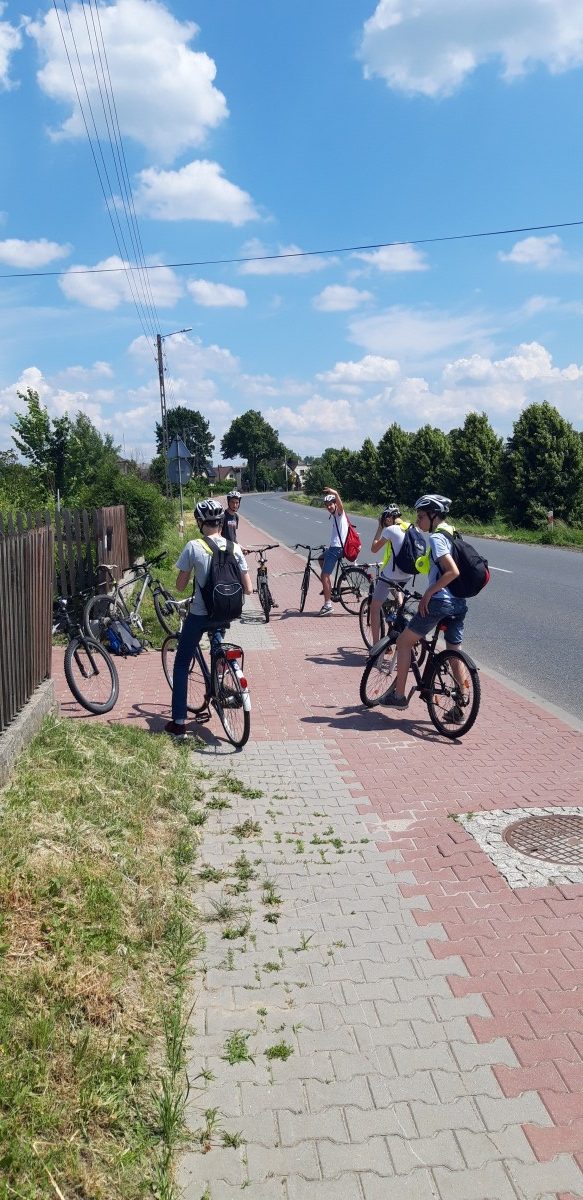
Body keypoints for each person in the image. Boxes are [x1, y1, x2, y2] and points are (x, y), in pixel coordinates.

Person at [165, 498, 252, 738]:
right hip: (225, 613)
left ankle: (179, 723)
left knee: (181, 664)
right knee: (217, 646)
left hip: (199, 615)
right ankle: (220, 681)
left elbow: (180, 586)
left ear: (199, 522)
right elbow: (248, 589)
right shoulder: (234, 547)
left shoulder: (194, 546)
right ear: (221, 522)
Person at [384, 494, 468, 719]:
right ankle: (460, 704)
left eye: (421, 516)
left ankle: (399, 696)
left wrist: (428, 594)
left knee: (403, 642)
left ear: (433, 516)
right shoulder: (452, 532)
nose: (417, 520)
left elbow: (452, 572)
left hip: (440, 602)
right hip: (459, 603)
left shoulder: (437, 538)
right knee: (453, 652)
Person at [369, 504, 411, 646]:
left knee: (374, 608)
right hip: (408, 574)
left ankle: (376, 647)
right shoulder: (411, 527)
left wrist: (380, 528)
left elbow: (374, 548)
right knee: (397, 591)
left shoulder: (391, 530)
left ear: (388, 519)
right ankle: (401, 612)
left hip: (391, 576)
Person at [319, 487, 348, 615]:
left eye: (331, 504)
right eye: (327, 505)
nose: (329, 507)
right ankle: (328, 586)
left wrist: (335, 493)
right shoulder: (335, 516)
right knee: (321, 558)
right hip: (335, 547)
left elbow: (341, 506)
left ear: (335, 504)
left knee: (324, 575)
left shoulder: (339, 513)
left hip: (337, 548)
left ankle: (328, 605)